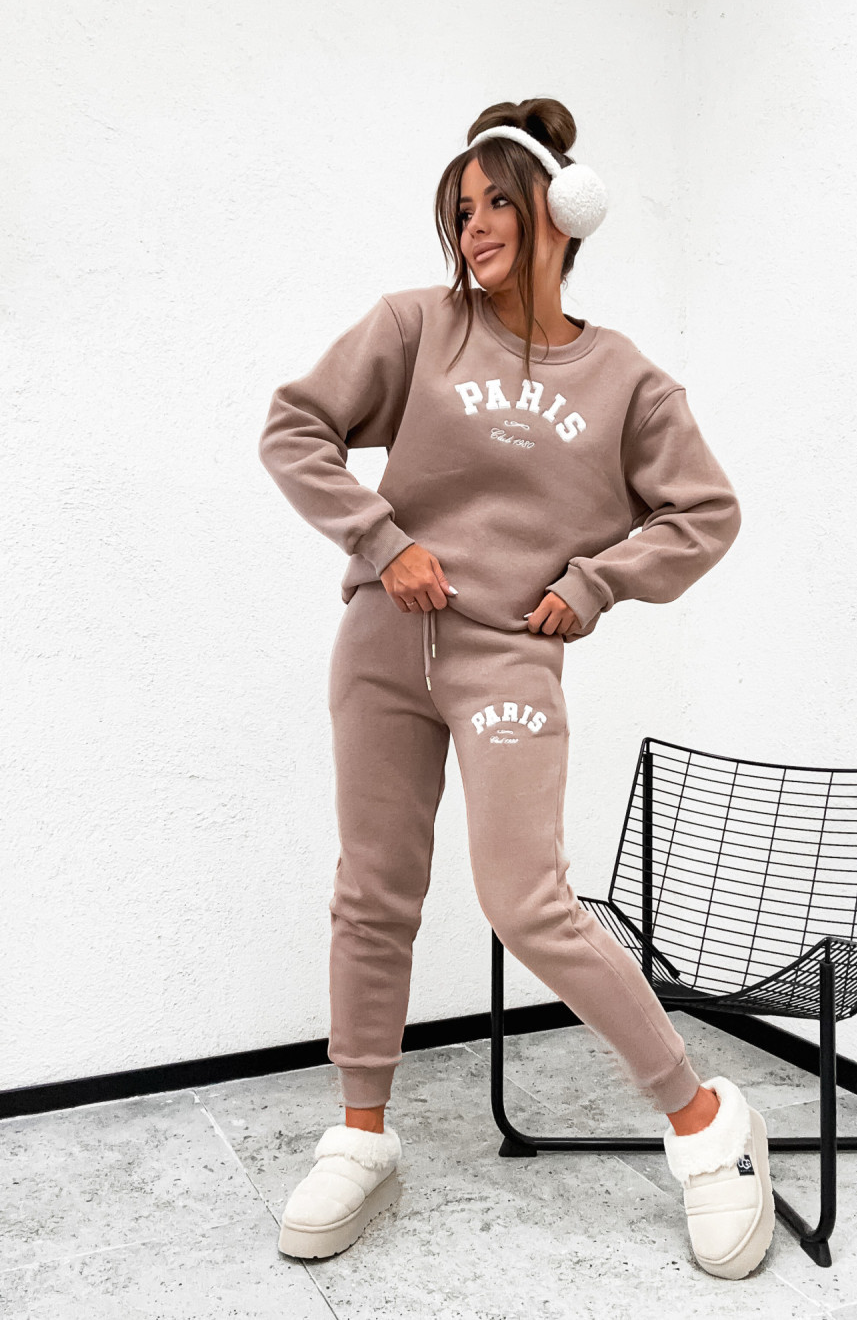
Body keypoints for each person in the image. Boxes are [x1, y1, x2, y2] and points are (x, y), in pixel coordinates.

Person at [258, 97, 775, 1281]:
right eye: (461, 207)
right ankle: (362, 1135)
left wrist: (595, 583)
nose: (475, 225)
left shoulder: (627, 381)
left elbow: (705, 513)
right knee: (373, 890)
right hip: (384, 643)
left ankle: (704, 1121)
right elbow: (296, 426)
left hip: (507, 656)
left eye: (499, 200)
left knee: (525, 897)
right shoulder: (415, 326)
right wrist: (383, 539)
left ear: (561, 214)